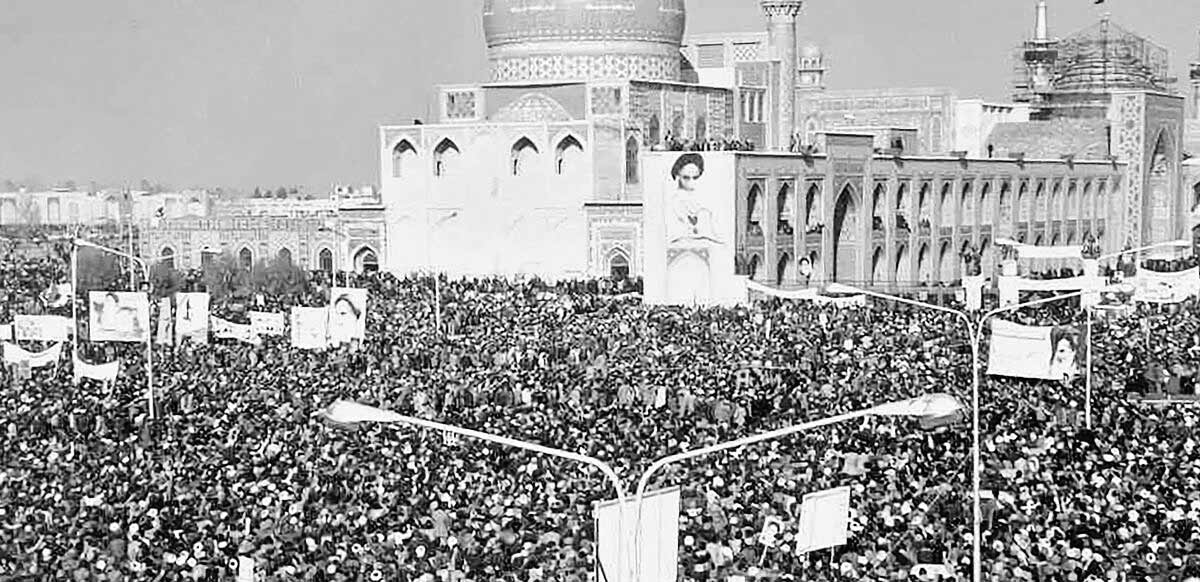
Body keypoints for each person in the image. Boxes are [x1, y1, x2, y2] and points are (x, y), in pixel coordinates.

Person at [667, 153, 722, 246]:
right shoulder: (673, 201)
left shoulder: (707, 198)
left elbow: (716, 233)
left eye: (695, 178)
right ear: (677, 175)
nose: (691, 182)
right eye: (686, 178)